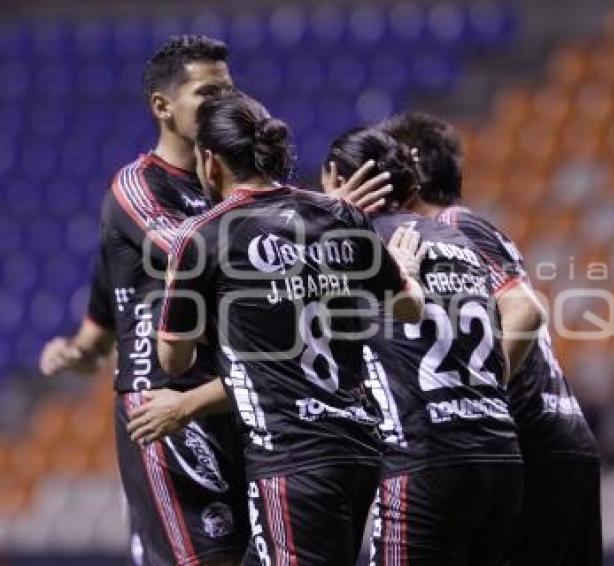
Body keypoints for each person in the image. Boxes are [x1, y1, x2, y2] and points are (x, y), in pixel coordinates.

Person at [157, 93, 426, 566]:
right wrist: (398, 266)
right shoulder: (340, 215)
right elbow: (408, 308)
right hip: (359, 447)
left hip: (290, 455)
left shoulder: (204, 235)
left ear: (209, 160)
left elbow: (172, 358)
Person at [39, 35, 252, 566]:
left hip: (232, 398)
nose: (224, 104)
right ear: (163, 106)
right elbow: (188, 251)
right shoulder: (137, 188)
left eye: (229, 91)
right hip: (166, 405)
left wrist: (79, 348)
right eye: (208, 93)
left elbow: (103, 315)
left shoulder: (231, 189)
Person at [377, 112, 601, 565]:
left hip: (533, 439)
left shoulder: (453, 226)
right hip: (551, 439)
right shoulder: (447, 231)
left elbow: (526, 311)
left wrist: (480, 396)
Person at [323, 128, 525, 566]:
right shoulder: (460, 241)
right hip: (500, 454)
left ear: (333, 177)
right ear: (410, 184)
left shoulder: (348, 243)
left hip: (424, 458)